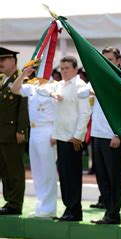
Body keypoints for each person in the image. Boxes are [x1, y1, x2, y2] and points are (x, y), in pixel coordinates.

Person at [11, 66, 57, 218]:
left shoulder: (54, 86)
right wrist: (23, 74)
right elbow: (14, 89)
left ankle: (49, 208)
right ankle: (40, 206)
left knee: (47, 170)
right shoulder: (32, 86)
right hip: (34, 130)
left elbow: (58, 111)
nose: (38, 72)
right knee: (37, 170)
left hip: (47, 130)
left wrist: (56, 133)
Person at [51, 56, 91, 221]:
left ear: (75, 69)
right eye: (62, 68)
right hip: (61, 136)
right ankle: (69, 208)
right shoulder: (60, 85)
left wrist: (78, 136)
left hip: (72, 138)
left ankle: (75, 210)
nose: (64, 71)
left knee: (73, 175)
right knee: (65, 175)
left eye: (67, 68)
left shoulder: (80, 86)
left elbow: (85, 113)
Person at [87, 47, 121, 224]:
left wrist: (118, 134)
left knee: (113, 177)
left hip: (112, 135)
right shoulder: (98, 77)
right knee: (101, 176)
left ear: (119, 61)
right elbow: (83, 91)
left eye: (111, 59)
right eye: (104, 59)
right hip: (97, 133)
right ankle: (108, 212)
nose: (107, 62)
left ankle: (114, 213)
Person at [0, 47, 28, 215]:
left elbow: (23, 108)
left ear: (14, 61)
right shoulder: (3, 80)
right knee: (4, 169)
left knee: (14, 169)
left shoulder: (20, 79)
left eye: (4, 60)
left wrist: (22, 130)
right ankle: (9, 201)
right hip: (2, 133)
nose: (1, 63)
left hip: (13, 133)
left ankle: (16, 204)